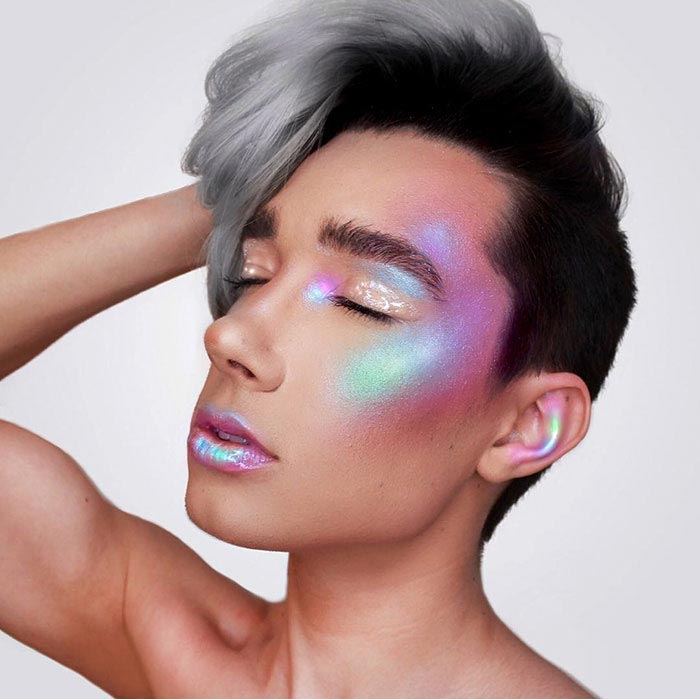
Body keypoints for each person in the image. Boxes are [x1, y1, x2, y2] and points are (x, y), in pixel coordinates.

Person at [0, 0, 636, 696]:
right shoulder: (175, 652)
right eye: (252, 274)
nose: (229, 334)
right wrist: (233, 195)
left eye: (366, 300)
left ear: (526, 426)